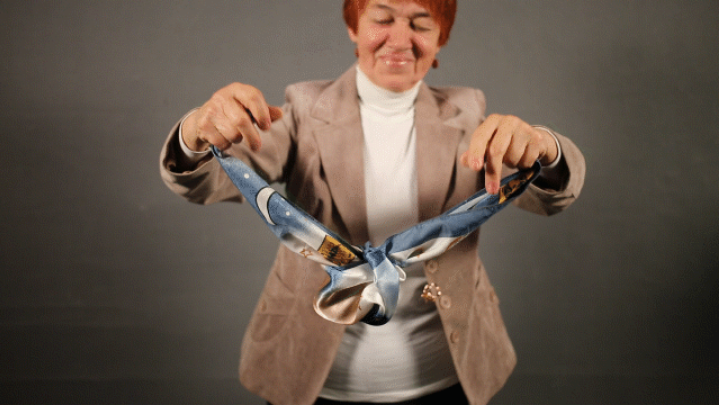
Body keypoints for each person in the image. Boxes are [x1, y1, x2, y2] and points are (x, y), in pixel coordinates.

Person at [159, 1, 586, 404]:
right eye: (382, 18)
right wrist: (196, 134)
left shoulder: (468, 114)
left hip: (447, 377)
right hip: (310, 379)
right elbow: (203, 181)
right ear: (353, 26)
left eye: (421, 24)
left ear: (442, 38)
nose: (400, 40)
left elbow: (550, 198)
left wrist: (545, 147)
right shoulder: (304, 110)